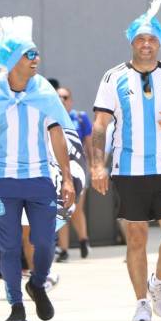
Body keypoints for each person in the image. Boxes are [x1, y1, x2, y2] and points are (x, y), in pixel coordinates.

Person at [91, 0, 161, 321]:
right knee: (137, 237)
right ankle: (141, 303)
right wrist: (97, 165)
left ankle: (158, 282)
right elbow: (99, 125)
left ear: (159, 43)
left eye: (152, 39)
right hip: (128, 170)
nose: (146, 44)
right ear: (132, 42)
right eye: (140, 39)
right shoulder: (114, 77)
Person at [0, 16, 76, 321]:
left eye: (36, 53)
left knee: (44, 242)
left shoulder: (44, 92)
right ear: (14, 60)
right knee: (10, 246)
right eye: (30, 54)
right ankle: (16, 306)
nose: (36, 59)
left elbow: (57, 135)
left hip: (40, 180)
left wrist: (67, 178)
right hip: (5, 183)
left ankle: (38, 283)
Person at [55, 86, 93, 262]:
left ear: (70, 100)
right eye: (58, 97)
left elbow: (89, 144)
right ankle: (63, 250)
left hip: (78, 169)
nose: (61, 100)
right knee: (61, 208)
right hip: (58, 169)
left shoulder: (80, 118)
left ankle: (83, 240)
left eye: (65, 97)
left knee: (76, 208)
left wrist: (93, 167)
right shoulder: (52, 118)